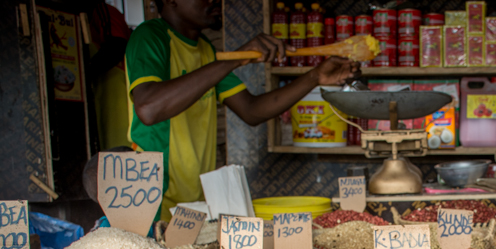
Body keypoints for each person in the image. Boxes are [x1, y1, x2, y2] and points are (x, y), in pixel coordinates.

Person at [126, 0, 358, 220]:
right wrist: (236, 59)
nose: (216, 1)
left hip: (191, 203)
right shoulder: (150, 36)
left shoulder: (205, 49)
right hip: (151, 199)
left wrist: (315, 77)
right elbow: (149, 108)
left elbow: (251, 110)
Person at [86, 0, 131, 150]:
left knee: (120, 149)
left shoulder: (103, 11)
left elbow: (116, 46)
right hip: (103, 93)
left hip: (117, 89)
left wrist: (85, 72)